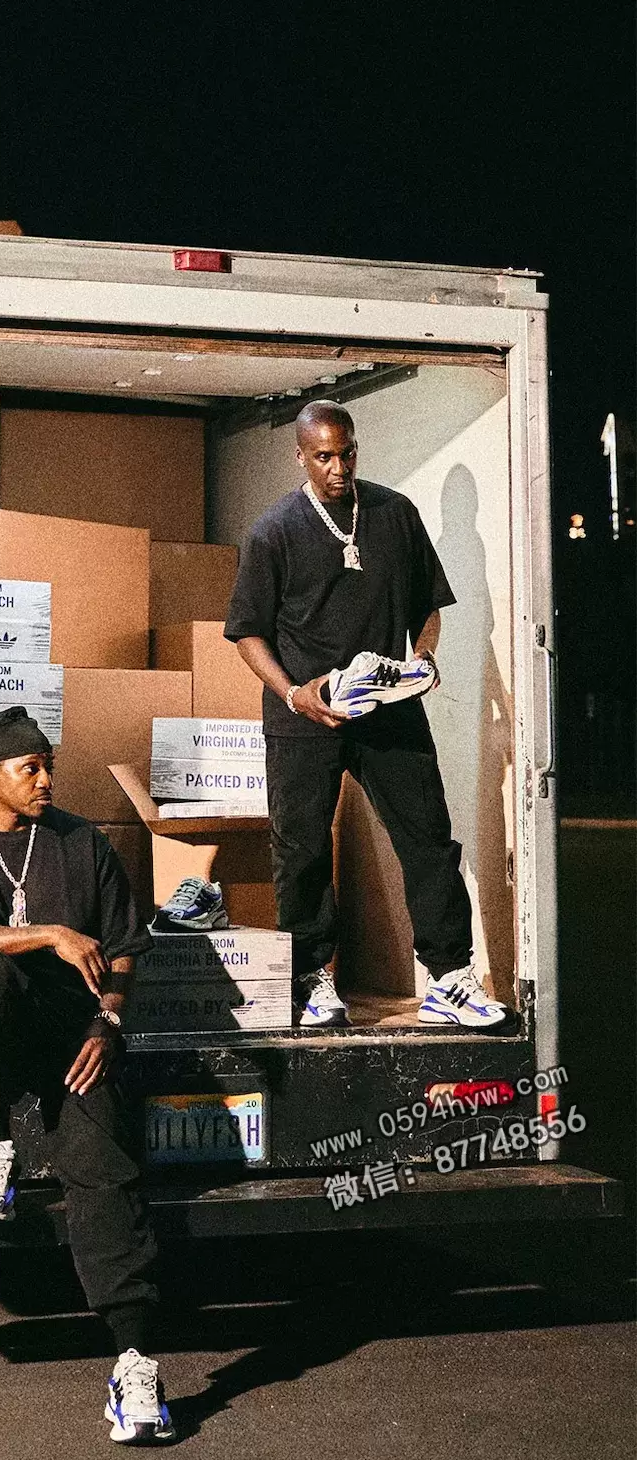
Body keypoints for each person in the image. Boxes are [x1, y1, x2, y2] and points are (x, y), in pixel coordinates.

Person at [0, 706, 175, 1444]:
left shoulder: (82, 842)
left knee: (105, 1170)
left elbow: (125, 948)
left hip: (72, 1035)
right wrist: (51, 933)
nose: (46, 779)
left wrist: (107, 1022)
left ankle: (133, 1362)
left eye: (48, 766)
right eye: (30, 768)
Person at [224, 399, 508, 1031]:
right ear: (300, 456)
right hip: (305, 713)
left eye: (347, 453)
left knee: (428, 839)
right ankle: (309, 979)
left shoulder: (395, 514)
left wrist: (423, 658)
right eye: (323, 456)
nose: (338, 468)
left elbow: (427, 605)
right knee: (301, 850)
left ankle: (449, 979)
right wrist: (294, 693)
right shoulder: (273, 530)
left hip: (388, 708)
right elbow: (247, 633)